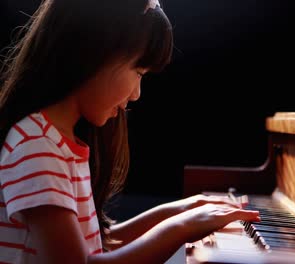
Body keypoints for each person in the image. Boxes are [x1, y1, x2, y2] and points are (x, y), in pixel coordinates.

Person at [0, 0, 261, 263]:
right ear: (94, 51)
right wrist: (180, 228)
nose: (136, 94)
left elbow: (100, 244)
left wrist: (179, 211)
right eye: (138, 72)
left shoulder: (52, 140)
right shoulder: (37, 146)